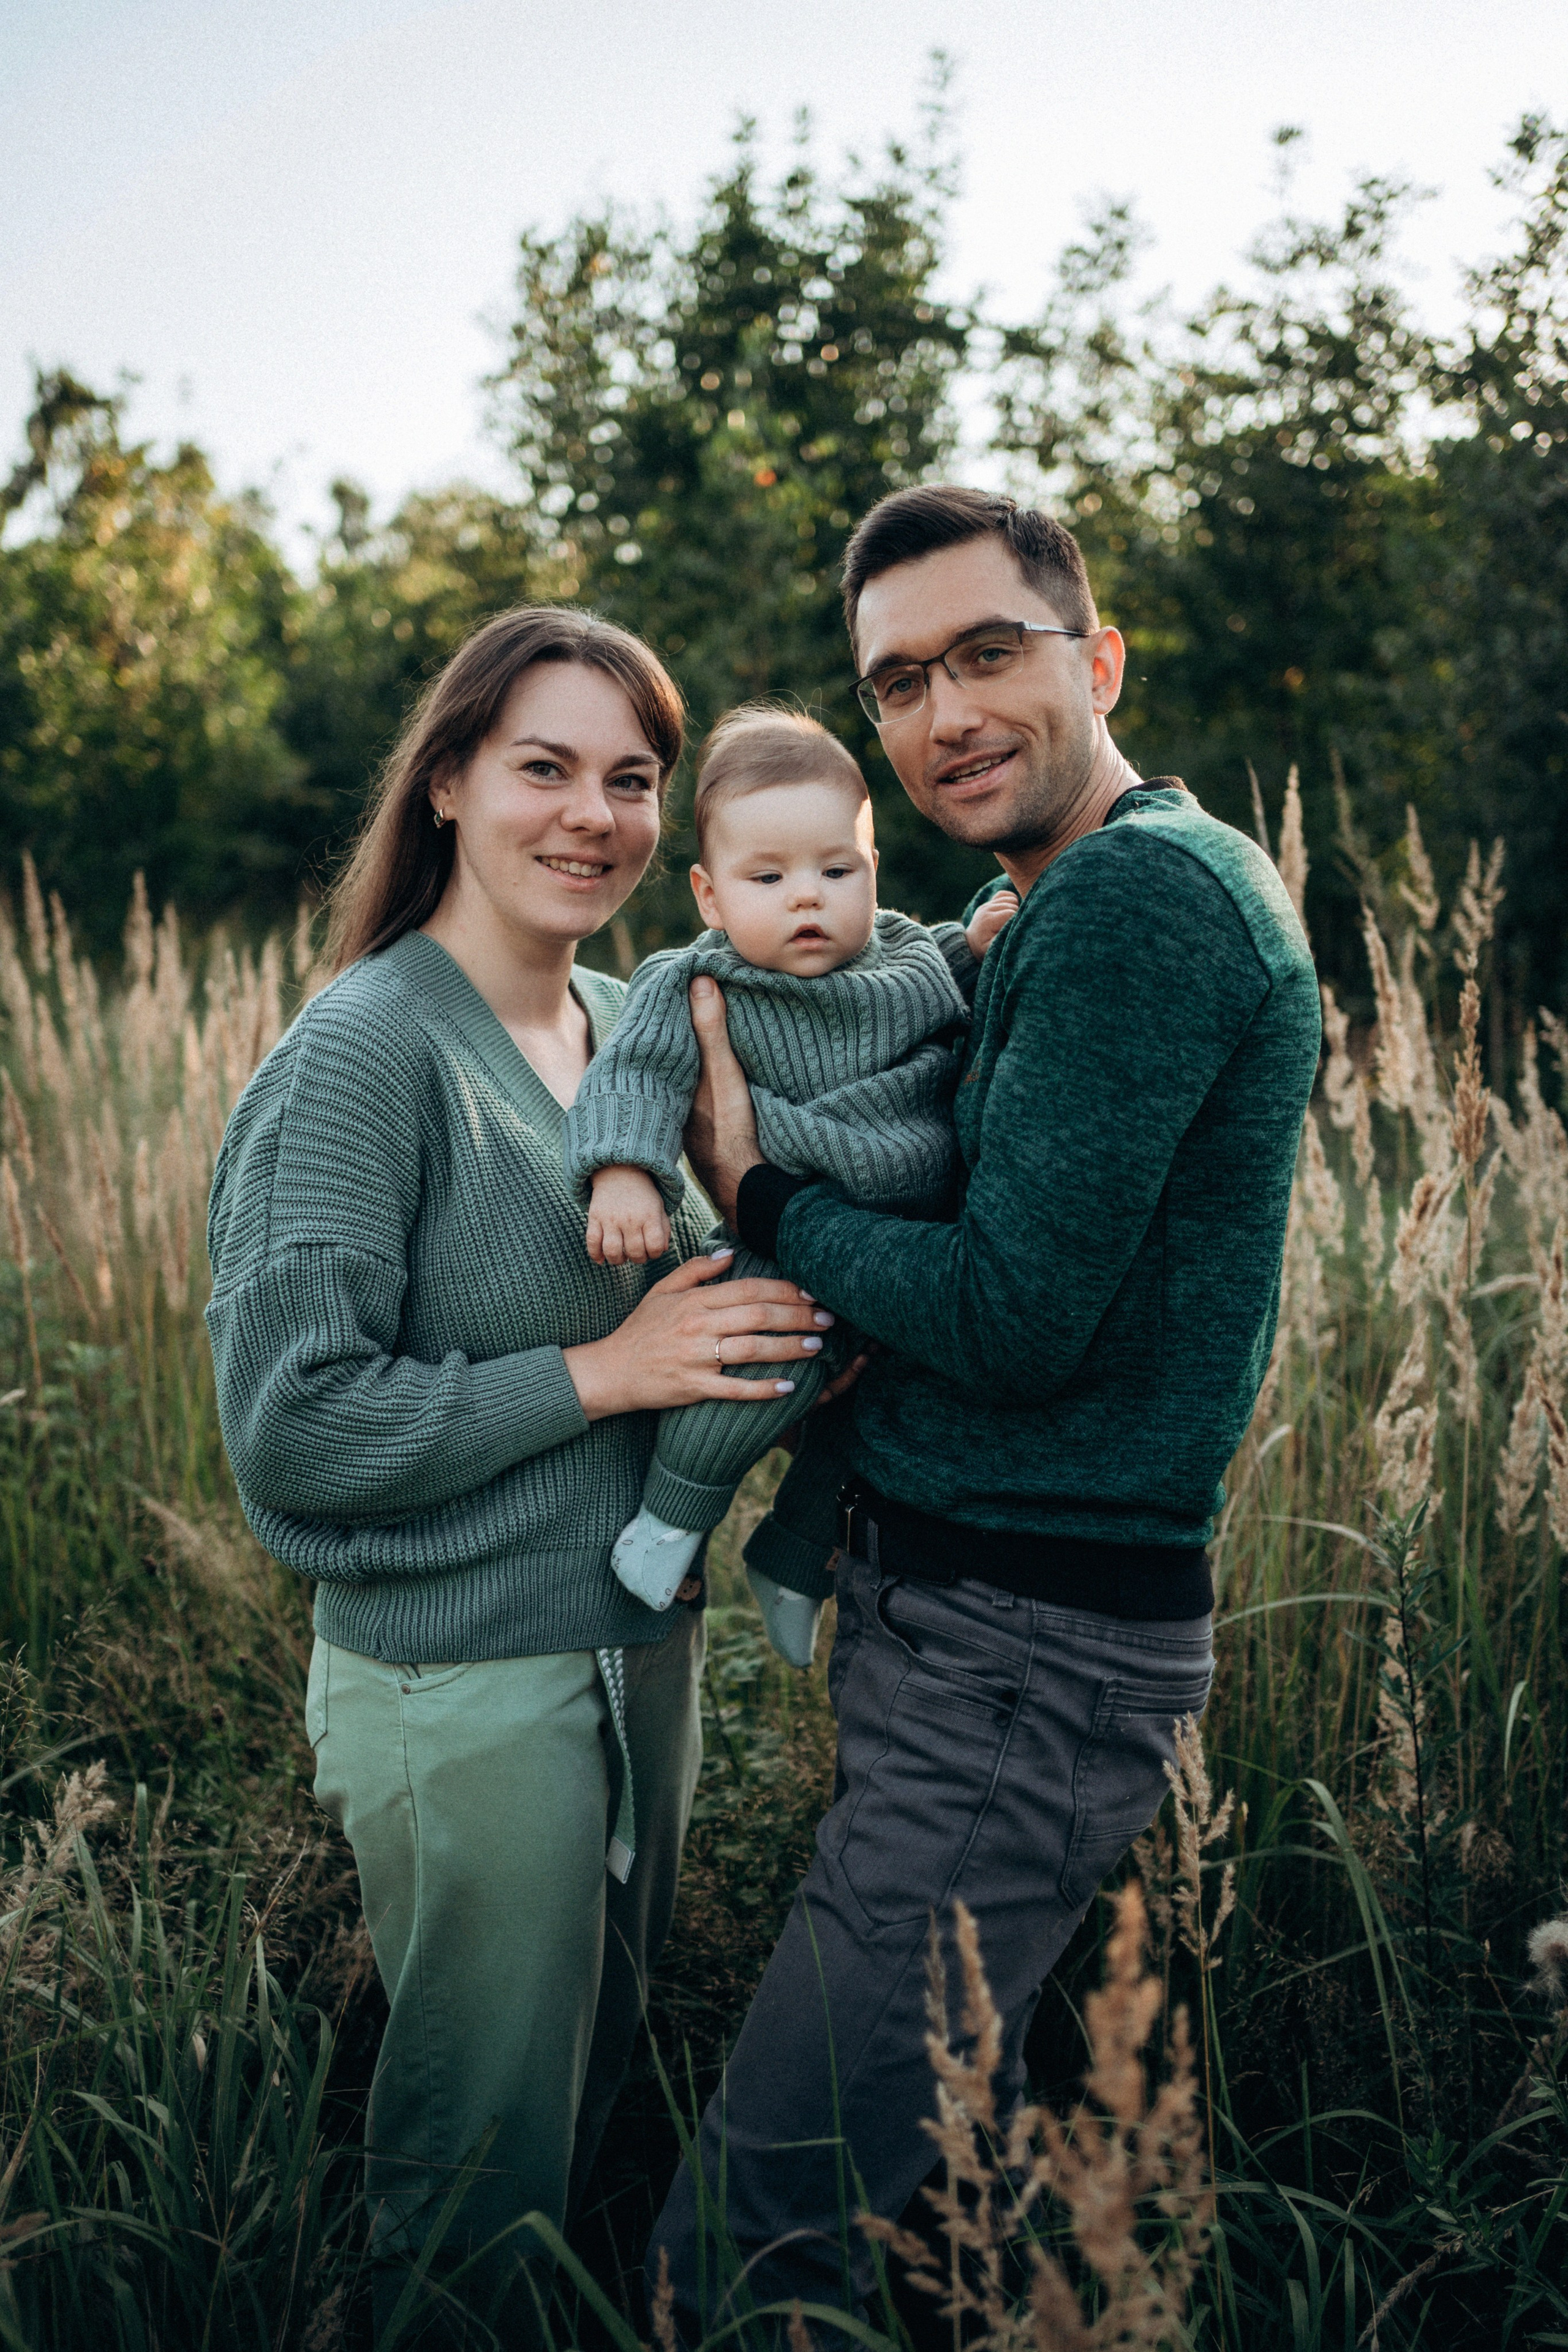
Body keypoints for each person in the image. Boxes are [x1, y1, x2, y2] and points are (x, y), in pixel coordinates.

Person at [648, 488, 1322, 2332]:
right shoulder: (1054, 898)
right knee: (934, 2220)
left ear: (1095, 658)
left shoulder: (1136, 904)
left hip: (1020, 1653)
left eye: (988, 654)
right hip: (982, 1628)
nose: (944, 712)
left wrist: (762, 1189)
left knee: (744, 2249)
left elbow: (1015, 1320)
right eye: (899, 682)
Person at [203, 608, 835, 2343]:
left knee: (582, 2120)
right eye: (544, 768)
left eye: (632, 780)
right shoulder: (365, 1053)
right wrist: (608, 1371)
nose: (595, 818)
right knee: (472, 2188)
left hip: (634, 1660)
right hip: (461, 1681)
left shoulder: (637, 1018)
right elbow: (296, 1427)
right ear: (451, 784)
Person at [562, 705, 1016, 1662]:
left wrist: (980, 947)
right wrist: (623, 1174)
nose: (806, 898)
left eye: (835, 870)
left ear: (873, 870)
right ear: (711, 894)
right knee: (769, 1375)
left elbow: (948, 986)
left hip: (908, 1248)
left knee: (886, 1410)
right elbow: (635, 1075)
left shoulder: (904, 953)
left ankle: (794, 1556)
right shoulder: (698, 980)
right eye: (768, 878)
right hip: (789, 1243)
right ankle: (671, 1521)